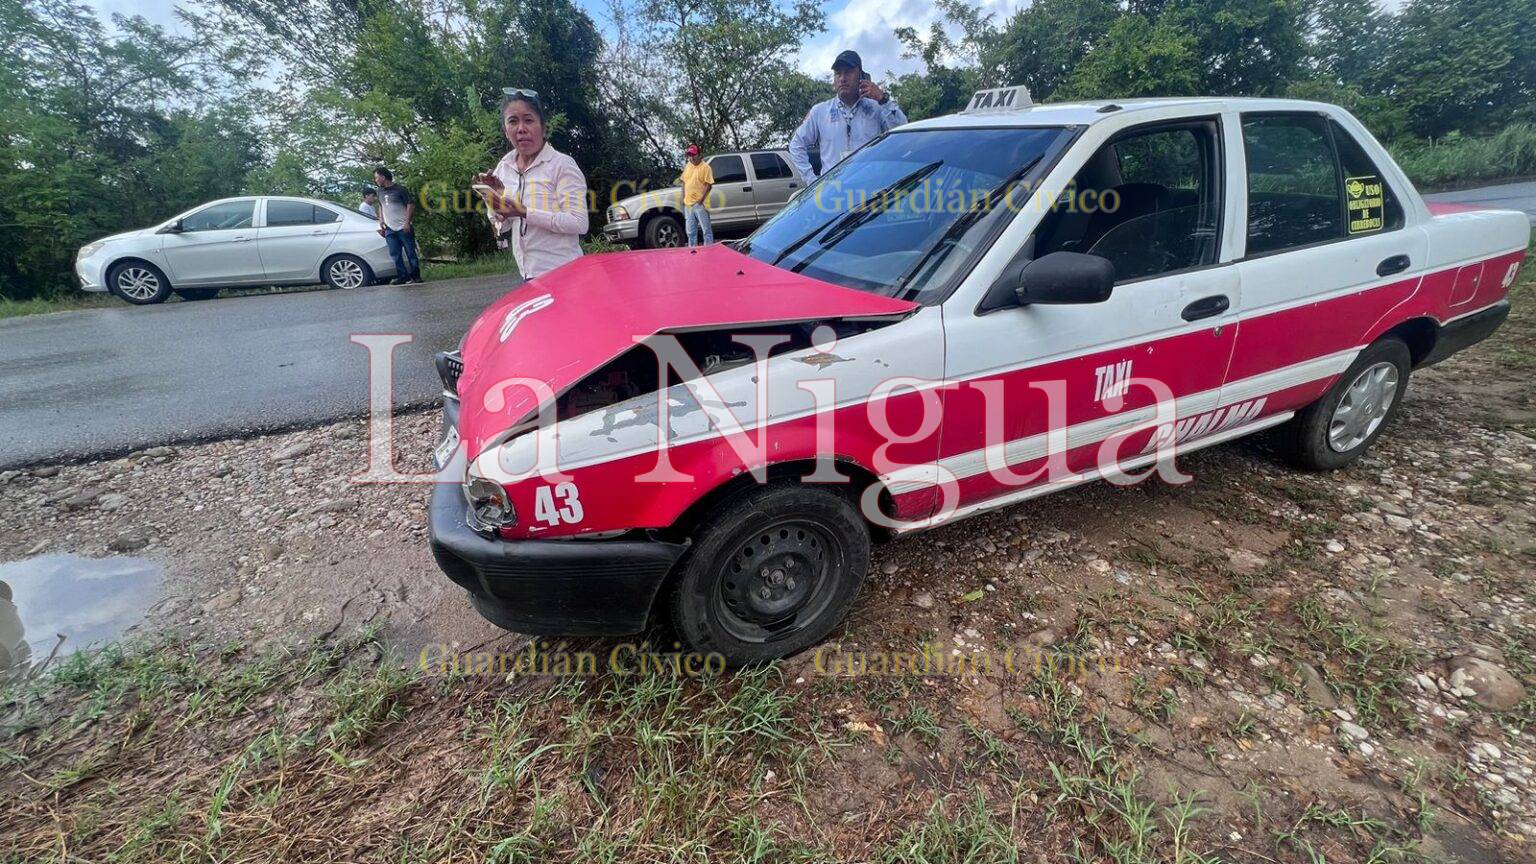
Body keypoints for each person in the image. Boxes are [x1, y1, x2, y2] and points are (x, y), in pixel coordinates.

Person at [473, 88, 588, 280]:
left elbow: (578, 223)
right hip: (528, 275)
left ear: (543, 127)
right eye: (513, 121)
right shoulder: (504, 167)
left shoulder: (561, 165)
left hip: (565, 274)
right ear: (505, 130)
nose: (521, 129)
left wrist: (525, 212)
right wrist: (494, 201)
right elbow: (503, 228)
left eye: (528, 120)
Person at [788, 50, 907, 181]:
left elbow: (903, 133)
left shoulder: (877, 108)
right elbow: (796, 145)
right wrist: (811, 180)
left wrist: (883, 100)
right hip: (833, 191)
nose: (842, 78)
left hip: (870, 190)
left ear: (861, 76)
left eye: (848, 72)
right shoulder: (820, 111)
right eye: (838, 73)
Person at [373, 167, 422, 284]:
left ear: (383, 177)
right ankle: (402, 276)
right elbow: (381, 205)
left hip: (403, 227)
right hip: (390, 228)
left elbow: (410, 205)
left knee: (410, 252)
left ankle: (416, 276)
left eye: (376, 177)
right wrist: (381, 220)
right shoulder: (379, 191)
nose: (375, 180)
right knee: (395, 253)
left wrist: (407, 222)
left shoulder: (400, 189)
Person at [680, 144, 714, 247]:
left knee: (706, 230)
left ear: (699, 155)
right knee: (690, 232)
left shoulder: (706, 167)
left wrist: (701, 200)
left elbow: (709, 185)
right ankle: (692, 251)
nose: (691, 158)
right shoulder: (688, 166)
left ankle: (709, 252)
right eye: (689, 155)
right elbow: (684, 182)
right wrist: (683, 197)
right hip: (688, 205)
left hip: (700, 204)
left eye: (693, 155)